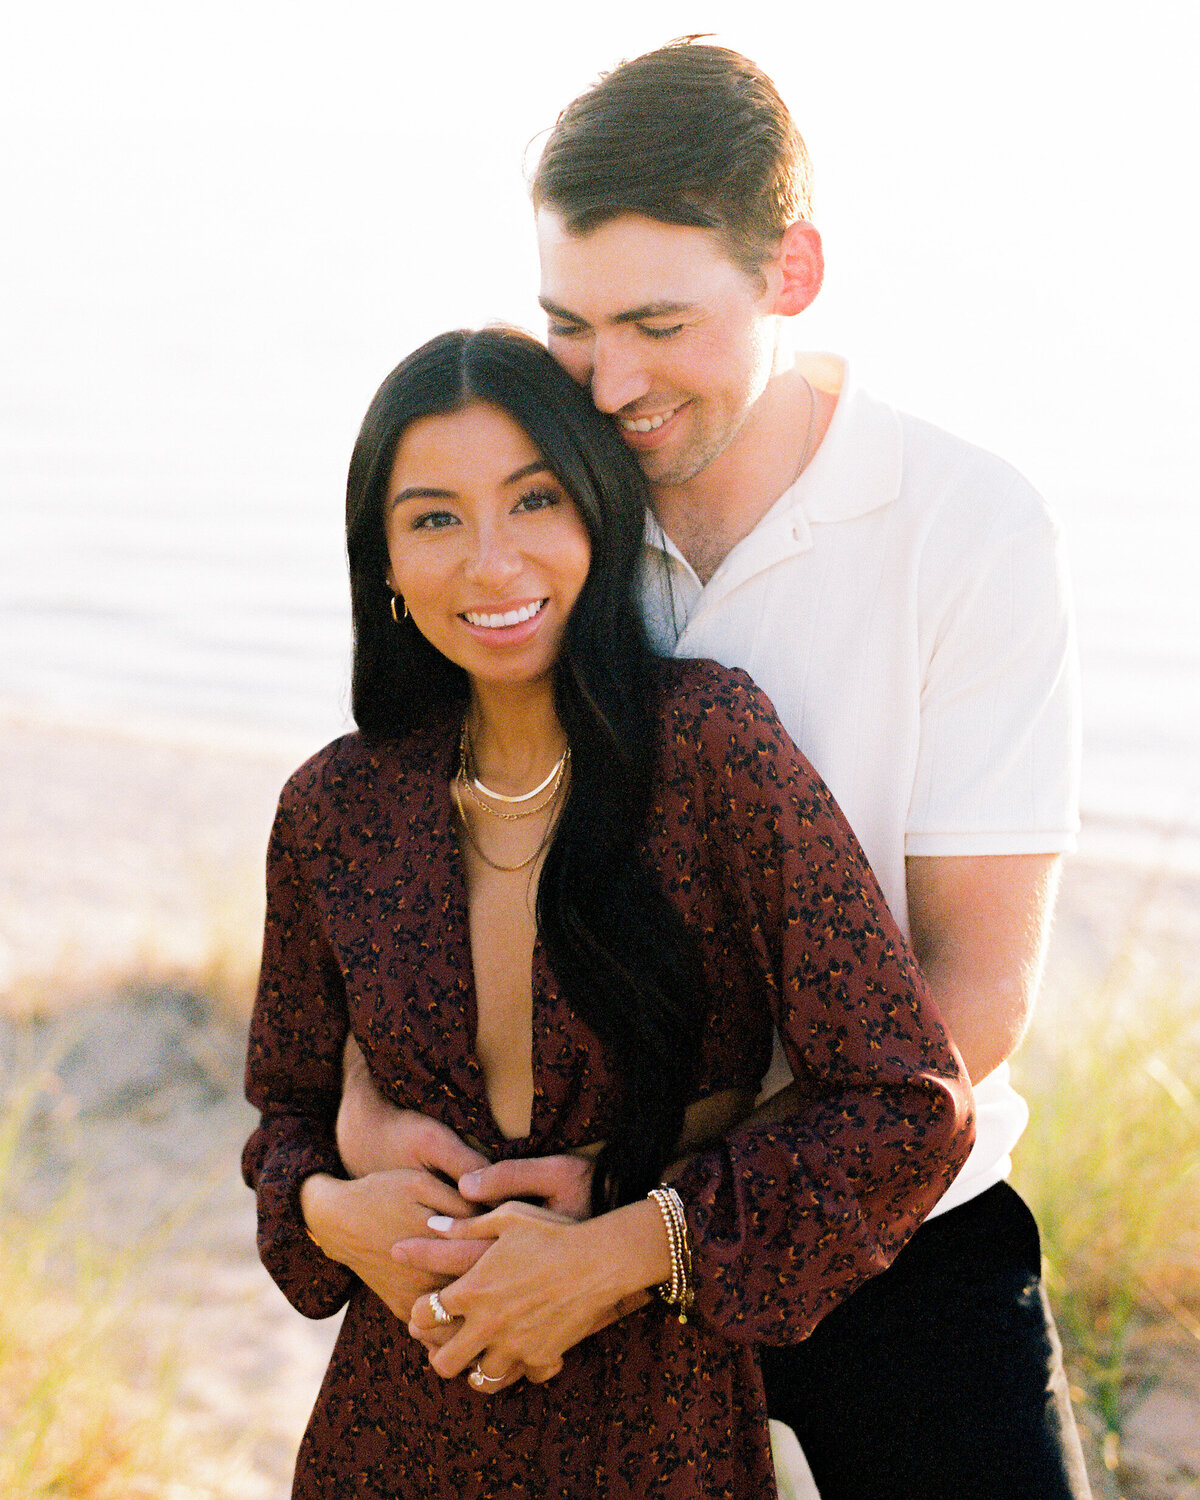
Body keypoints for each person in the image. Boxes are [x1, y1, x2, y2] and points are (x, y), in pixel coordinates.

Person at [335, 40, 1090, 1500]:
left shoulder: (971, 525)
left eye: (657, 323)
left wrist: (648, 1196)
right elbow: (407, 889)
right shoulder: (534, 527)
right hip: (560, 1236)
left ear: (791, 271)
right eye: (570, 324)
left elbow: (978, 997)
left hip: (900, 1227)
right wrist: (388, 1151)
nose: (609, 383)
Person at [242, 325, 974, 1498]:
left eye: (532, 501)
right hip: (392, 1429)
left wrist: (630, 1252)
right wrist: (335, 1214)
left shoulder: (713, 749)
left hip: (653, 1426)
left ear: (597, 513)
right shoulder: (335, 808)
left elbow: (910, 1101)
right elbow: (284, 1110)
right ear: (380, 559)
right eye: (433, 517)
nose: (491, 562)